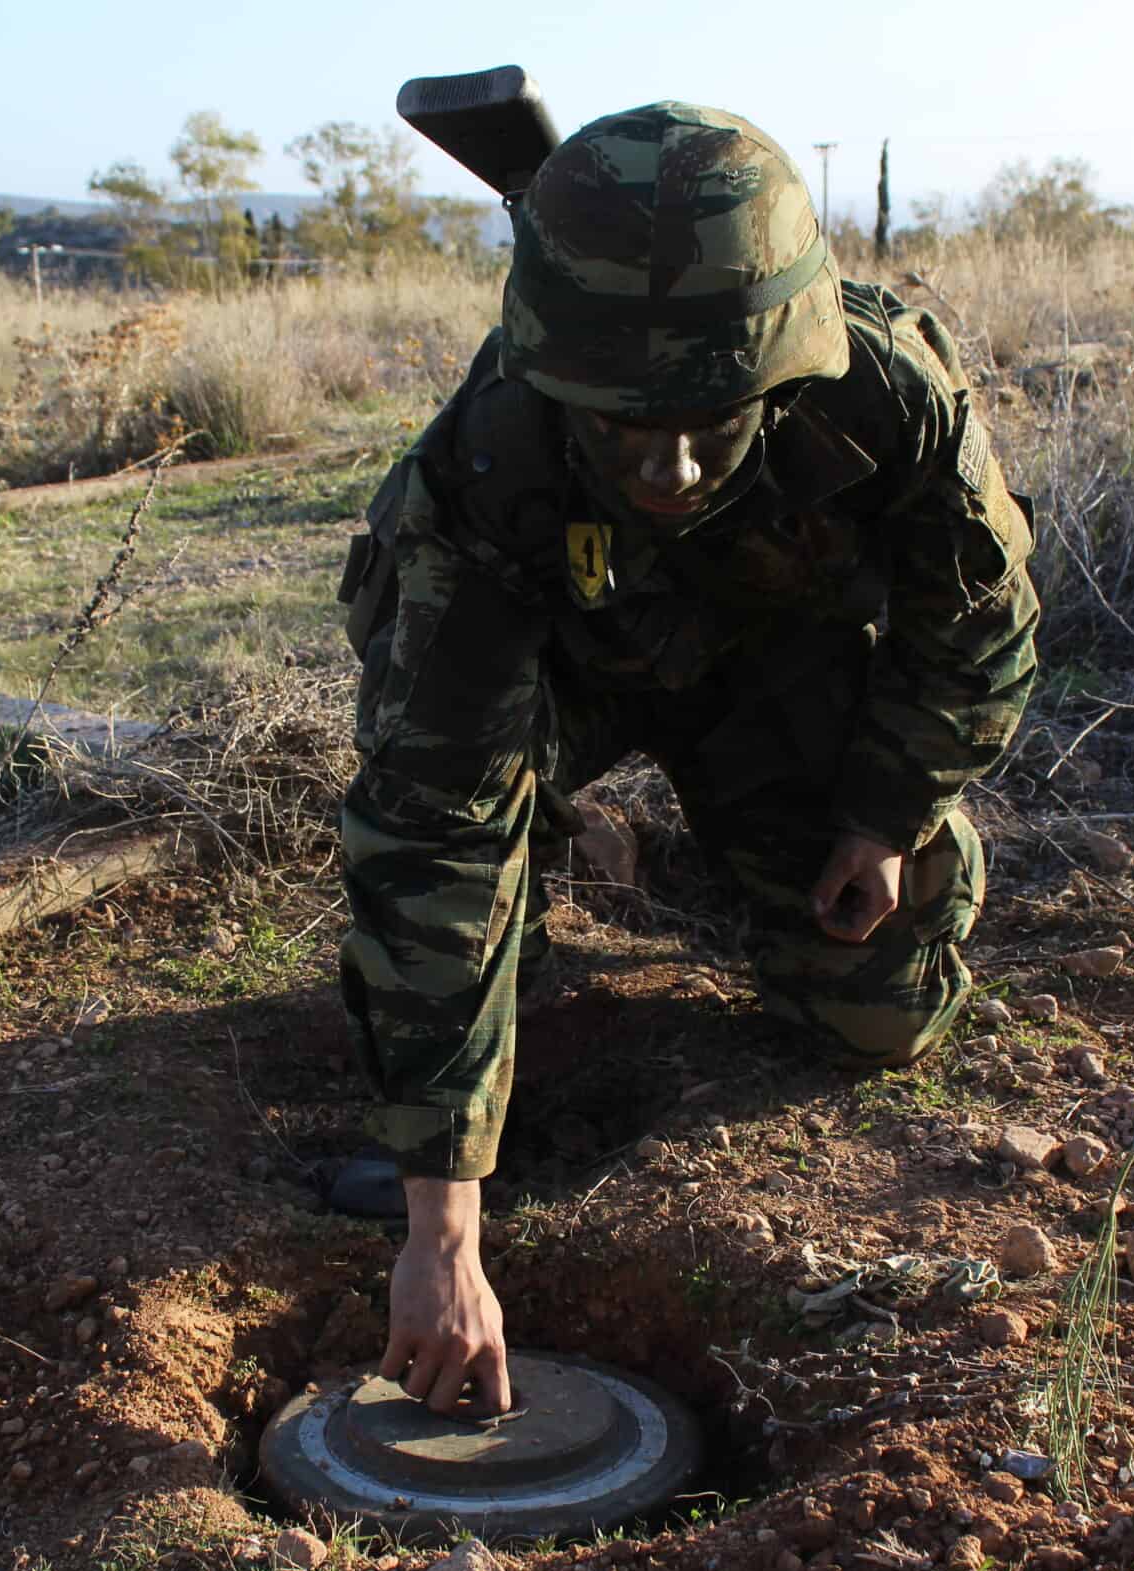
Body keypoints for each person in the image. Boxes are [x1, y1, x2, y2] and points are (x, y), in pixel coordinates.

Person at [335, 101, 1039, 1417]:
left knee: (878, 1014)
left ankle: (735, 853)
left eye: (715, 417)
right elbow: (434, 818)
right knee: (461, 934)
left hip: (772, 680)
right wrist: (441, 1231)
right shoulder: (483, 475)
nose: (668, 466)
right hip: (566, 680)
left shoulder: (884, 399)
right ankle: (521, 964)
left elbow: (978, 628)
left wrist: (886, 818)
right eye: (623, 425)